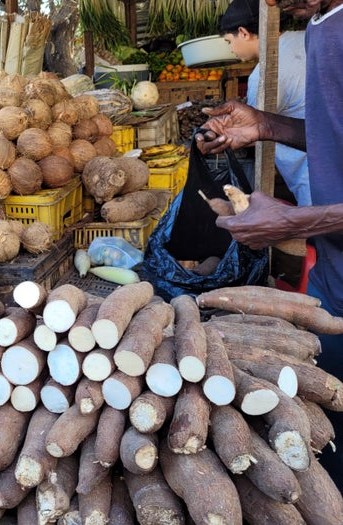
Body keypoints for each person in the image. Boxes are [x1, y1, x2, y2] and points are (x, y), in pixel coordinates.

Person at [196, 0, 343, 490]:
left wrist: (293, 221)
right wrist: (264, 125)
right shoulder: (320, 26)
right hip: (334, 278)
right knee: (325, 439)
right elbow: (333, 135)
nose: (272, 4)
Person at [219, 0, 311, 205]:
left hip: (311, 174)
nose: (231, 49)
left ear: (243, 33)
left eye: (228, 41)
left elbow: (251, 133)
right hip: (332, 153)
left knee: (323, 222)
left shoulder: (263, 74)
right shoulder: (305, 37)